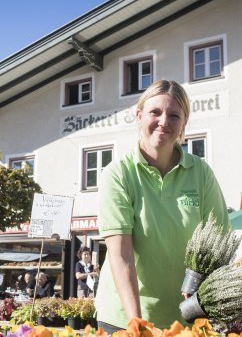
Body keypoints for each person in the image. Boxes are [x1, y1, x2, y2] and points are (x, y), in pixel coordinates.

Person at [94, 80, 229, 333]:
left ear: (183, 124)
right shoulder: (119, 174)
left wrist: (212, 307)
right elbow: (121, 255)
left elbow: (218, 244)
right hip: (123, 317)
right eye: (155, 112)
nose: (164, 121)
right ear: (139, 115)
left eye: (174, 115)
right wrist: (137, 325)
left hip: (185, 318)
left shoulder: (200, 172)